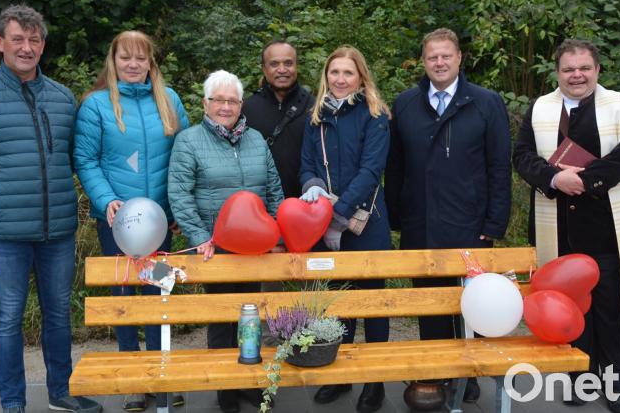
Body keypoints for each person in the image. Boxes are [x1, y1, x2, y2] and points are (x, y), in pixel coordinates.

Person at [0, 5, 101, 413]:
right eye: (17, 39)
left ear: (43, 45)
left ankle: (61, 392)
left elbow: (72, 157)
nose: (26, 48)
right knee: (9, 316)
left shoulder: (63, 98)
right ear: (0, 42)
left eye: (34, 40)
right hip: (4, 232)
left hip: (57, 229)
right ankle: (12, 403)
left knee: (59, 314)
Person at [513, 39, 620, 413]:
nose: (577, 75)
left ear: (597, 70)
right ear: (557, 73)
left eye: (584, 68)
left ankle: (618, 384)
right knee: (572, 307)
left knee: (610, 308)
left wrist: (585, 181)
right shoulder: (540, 108)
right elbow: (521, 156)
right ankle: (580, 378)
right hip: (559, 230)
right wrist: (554, 179)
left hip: (606, 230)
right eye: (569, 69)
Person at [384, 27, 512, 402]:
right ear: (423, 62)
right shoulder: (405, 104)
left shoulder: (485, 102)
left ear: (459, 59)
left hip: (470, 224)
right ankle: (439, 372)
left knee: (469, 304)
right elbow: (395, 167)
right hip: (420, 222)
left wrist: (495, 223)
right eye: (432, 57)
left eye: (446, 56)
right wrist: (397, 217)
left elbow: (499, 167)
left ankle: (468, 374)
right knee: (430, 304)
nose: (439, 62)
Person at [73, 30, 189, 412]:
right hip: (117, 225)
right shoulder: (96, 105)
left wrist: (176, 208)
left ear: (151, 63)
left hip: (159, 223)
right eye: (126, 57)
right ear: (114, 61)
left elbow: (184, 155)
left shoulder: (169, 99)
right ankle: (133, 379)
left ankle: (160, 372)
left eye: (141, 57)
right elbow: (85, 159)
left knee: (158, 292)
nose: (133, 64)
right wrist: (107, 200)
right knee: (124, 295)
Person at [167, 70, 283, 413]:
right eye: (219, 100)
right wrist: (200, 237)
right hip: (214, 249)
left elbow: (274, 190)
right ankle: (225, 388)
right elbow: (180, 194)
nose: (226, 106)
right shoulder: (189, 141)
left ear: (241, 104)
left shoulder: (256, 140)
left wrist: (276, 233)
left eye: (232, 100)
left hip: (256, 248)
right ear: (206, 103)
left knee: (250, 316)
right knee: (221, 319)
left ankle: (249, 382)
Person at [298, 45, 391, 413]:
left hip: (365, 223)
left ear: (360, 77)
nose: (340, 79)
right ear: (326, 76)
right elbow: (307, 165)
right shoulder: (316, 117)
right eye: (334, 72)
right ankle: (340, 375)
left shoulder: (375, 115)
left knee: (372, 303)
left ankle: (375, 381)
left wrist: (337, 215)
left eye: (347, 73)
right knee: (337, 302)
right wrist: (311, 187)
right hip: (325, 222)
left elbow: (371, 171)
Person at [243, 40, 315, 198]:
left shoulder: (314, 108)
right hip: (260, 203)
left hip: (306, 202)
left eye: (288, 63)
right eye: (274, 64)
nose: (282, 70)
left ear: (296, 66)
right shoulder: (247, 109)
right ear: (264, 68)